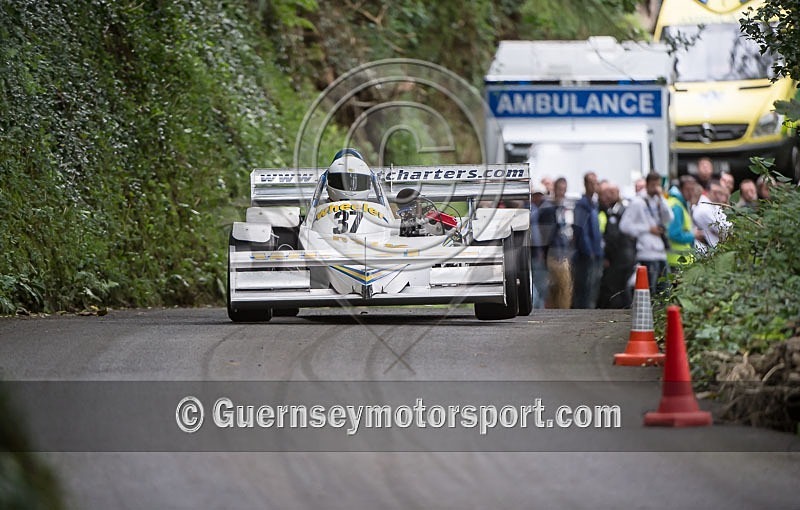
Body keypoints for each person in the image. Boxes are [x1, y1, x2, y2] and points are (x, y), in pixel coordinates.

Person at [619, 172, 673, 296]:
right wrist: (648, 229)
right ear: (647, 184)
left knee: (664, 290)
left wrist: (662, 198)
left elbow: (669, 217)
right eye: (653, 185)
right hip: (646, 252)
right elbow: (624, 226)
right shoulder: (638, 202)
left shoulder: (657, 200)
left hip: (660, 252)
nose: (656, 188)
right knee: (650, 290)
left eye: (658, 185)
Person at [597, 183, 637, 308]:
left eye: (612, 192)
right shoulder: (608, 210)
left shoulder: (619, 211)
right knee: (619, 286)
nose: (609, 196)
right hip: (622, 255)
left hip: (621, 256)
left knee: (618, 286)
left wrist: (608, 256)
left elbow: (613, 237)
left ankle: (622, 310)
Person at [538, 177, 573, 309]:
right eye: (560, 189)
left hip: (564, 251)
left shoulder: (565, 208)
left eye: (564, 189)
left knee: (562, 287)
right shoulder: (548, 208)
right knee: (558, 286)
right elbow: (545, 234)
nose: (562, 192)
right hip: (553, 252)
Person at [571, 172, 603, 309]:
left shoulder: (594, 204)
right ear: (585, 184)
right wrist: (588, 251)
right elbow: (581, 231)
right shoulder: (582, 204)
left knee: (593, 288)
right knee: (585, 288)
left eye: (596, 182)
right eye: (591, 182)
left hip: (596, 252)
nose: (594, 185)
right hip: (586, 255)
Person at [666, 175, 700, 270]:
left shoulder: (680, 203)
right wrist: (693, 235)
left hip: (678, 260)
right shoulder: (677, 206)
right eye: (688, 189)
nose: (691, 193)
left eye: (693, 189)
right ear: (681, 189)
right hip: (677, 261)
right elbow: (674, 234)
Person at [693, 179, 732, 255]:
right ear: (710, 192)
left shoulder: (715, 206)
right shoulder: (703, 209)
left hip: (716, 251)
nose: (721, 197)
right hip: (707, 252)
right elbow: (724, 230)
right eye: (718, 193)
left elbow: (729, 227)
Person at [529, 182, 549, 309]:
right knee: (537, 285)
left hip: (537, 253)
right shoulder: (533, 210)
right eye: (536, 195)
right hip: (534, 253)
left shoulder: (542, 210)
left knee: (540, 285)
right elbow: (535, 235)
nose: (538, 198)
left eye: (540, 195)